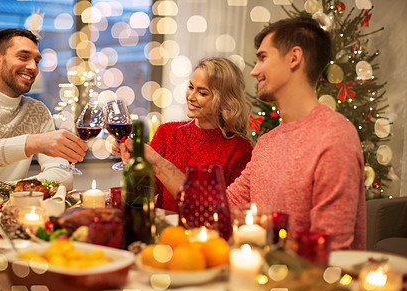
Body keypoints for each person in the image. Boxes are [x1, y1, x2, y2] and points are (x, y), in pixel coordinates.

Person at [127, 17, 366, 251]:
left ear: (294, 58)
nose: (255, 71)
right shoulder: (267, 143)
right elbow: (219, 209)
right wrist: (156, 162)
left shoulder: (334, 137)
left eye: (263, 58)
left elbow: (333, 253)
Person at [0, 28, 87, 192]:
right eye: (23, 57)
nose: (33, 67)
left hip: (14, 210)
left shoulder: (37, 111)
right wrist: (33, 143)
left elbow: (62, 174)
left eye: (36, 61)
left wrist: (9, 190)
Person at [114, 57, 253, 212]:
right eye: (191, 87)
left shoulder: (239, 149)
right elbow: (144, 192)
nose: (191, 97)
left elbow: (230, 210)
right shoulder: (167, 133)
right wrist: (134, 162)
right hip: (165, 231)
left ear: (224, 101)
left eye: (202, 92)